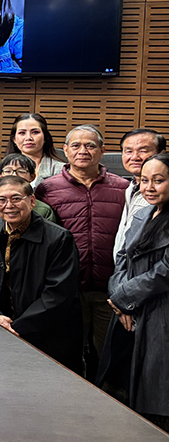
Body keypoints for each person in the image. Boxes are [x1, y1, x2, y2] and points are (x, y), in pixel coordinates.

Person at [35, 124, 127, 377]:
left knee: (110, 357)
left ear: (102, 151)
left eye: (90, 145)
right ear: (65, 150)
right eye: (75, 145)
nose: (82, 151)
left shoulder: (123, 188)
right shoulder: (47, 189)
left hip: (108, 290)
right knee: (66, 356)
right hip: (66, 289)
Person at [0, 175, 82, 371]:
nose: (9, 205)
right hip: (0, 327)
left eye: (16, 198)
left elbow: (59, 292)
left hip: (47, 333)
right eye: (2, 200)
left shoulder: (59, 238)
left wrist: (18, 327)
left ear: (32, 201)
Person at [105, 153, 169, 427]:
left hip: (160, 313)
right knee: (120, 389)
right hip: (129, 311)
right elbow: (122, 257)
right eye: (144, 180)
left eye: (159, 180)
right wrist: (119, 300)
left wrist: (123, 298)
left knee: (155, 394)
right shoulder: (142, 212)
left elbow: (164, 272)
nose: (149, 187)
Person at [0, 153, 59, 266]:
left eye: (21, 171)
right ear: (0, 175)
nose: (14, 174)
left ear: (32, 176)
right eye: (8, 170)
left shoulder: (44, 209)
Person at [113, 128, 165, 258]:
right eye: (128, 151)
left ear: (161, 153)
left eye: (143, 151)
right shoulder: (131, 187)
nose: (134, 157)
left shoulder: (161, 193)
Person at [4, 113, 65, 187]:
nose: (28, 138)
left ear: (45, 137)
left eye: (35, 132)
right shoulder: (5, 168)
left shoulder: (61, 170)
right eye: (22, 133)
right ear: (14, 139)